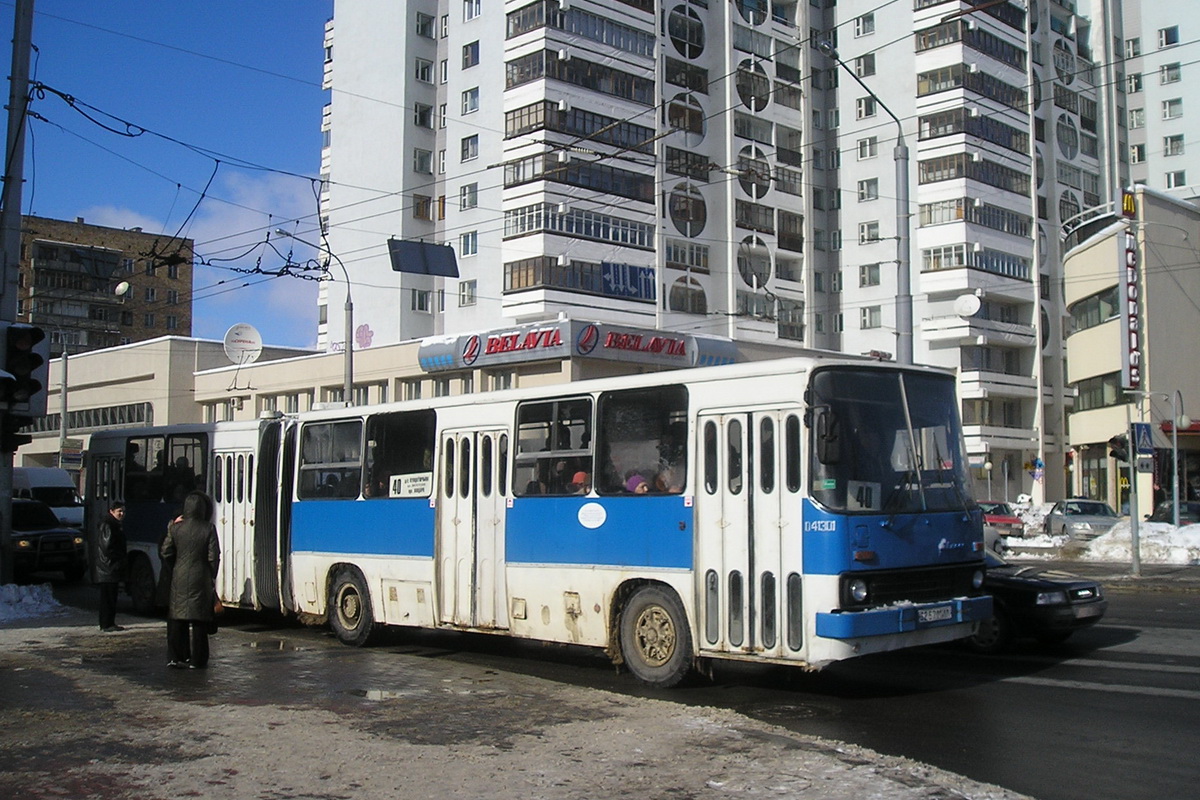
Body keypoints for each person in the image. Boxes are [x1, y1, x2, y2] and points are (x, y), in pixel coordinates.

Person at [160, 491, 221, 669]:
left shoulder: (175, 528)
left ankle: (177, 656)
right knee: (200, 621)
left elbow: (166, 552)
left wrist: (176, 568)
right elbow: (214, 557)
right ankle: (198, 659)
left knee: (177, 619)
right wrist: (211, 576)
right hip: (200, 577)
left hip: (179, 576)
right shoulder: (208, 528)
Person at [93, 501, 127, 632]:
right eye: (119, 511)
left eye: (123, 511)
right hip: (108, 567)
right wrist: (119, 557)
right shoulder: (109, 524)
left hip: (109, 566)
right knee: (108, 597)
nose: (122, 514)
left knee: (111, 596)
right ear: (111, 511)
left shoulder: (113, 524)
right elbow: (107, 547)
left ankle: (109, 622)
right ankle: (106, 624)